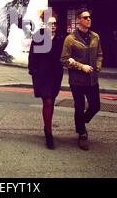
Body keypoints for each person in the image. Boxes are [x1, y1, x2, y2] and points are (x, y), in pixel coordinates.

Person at [61, 8, 103, 151]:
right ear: (78, 20)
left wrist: (97, 67)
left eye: (89, 17)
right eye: (85, 17)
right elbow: (64, 60)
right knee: (79, 106)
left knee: (95, 106)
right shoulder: (70, 39)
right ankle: (82, 133)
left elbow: (99, 54)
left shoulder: (95, 37)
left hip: (92, 79)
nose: (88, 19)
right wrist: (81, 66)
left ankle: (81, 122)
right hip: (77, 80)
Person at [28, 11, 64, 150]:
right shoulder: (38, 36)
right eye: (50, 23)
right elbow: (32, 56)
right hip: (42, 75)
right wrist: (34, 72)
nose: (53, 25)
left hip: (55, 75)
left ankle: (47, 125)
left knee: (51, 101)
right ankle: (48, 133)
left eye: (55, 23)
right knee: (47, 101)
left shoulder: (61, 37)